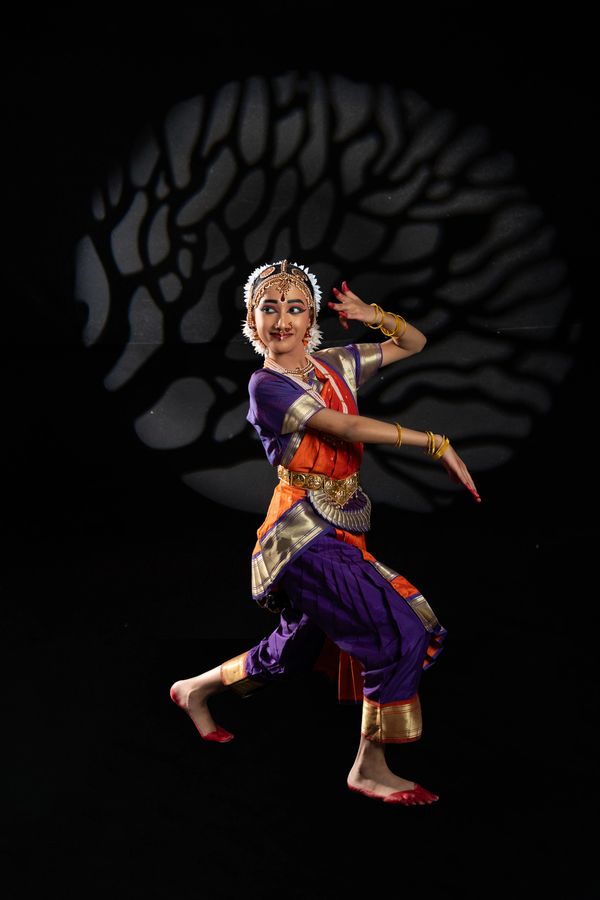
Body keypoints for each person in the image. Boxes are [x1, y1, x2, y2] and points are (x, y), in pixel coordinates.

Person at [170, 259, 480, 806]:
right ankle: (369, 767)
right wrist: (433, 441)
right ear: (252, 317)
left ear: (312, 315)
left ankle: (193, 689)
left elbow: (415, 343)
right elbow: (342, 426)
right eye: (270, 307)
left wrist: (373, 315)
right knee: (400, 629)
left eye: (295, 307)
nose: (283, 320)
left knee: (293, 649)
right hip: (301, 535)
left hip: (344, 524)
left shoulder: (333, 363)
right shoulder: (266, 384)